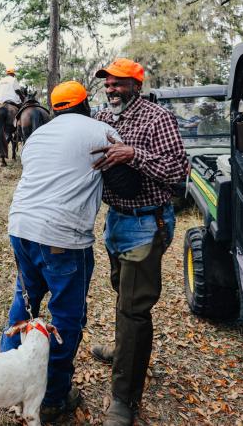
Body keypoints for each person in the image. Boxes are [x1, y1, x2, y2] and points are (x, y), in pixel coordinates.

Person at [0, 81, 123, 423]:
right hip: (63, 237)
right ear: (86, 104)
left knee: (23, 303)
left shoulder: (37, 136)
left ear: (54, 109)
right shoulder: (103, 130)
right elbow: (121, 171)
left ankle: (7, 383)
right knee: (66, 318)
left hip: (21, 227)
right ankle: (53, 396)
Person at [90, 58, 188, 426]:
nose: (111, 89)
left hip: (147, 221)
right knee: (122, 292)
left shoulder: (156, 118)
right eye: (108, 84)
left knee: (134, 308)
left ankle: (124, 399)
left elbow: (179, 170)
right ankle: (123, 350)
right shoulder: (102, 119)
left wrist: (134, 154)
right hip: (116, 220)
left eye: (118, 83)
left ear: (136, 85)